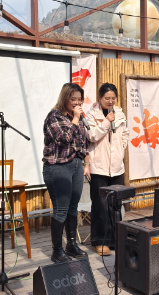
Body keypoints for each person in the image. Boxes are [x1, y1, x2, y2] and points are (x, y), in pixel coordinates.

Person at [43, 83, 90, 263]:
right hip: (58, 166)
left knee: (73, 207)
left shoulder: (77, 118)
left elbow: (83, 143)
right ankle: (57, 251)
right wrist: (76, 119)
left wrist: (86, 163)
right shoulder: (54, 116)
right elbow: (64, 139)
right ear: (65, 98)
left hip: (76, 165)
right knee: (61, 208)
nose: (77, 103)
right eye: (73, 99)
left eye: (80, 99)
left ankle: (71, 244)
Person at [85, 83, 129, 256]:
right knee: (100, 205)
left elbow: (125, 134)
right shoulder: (92, 114)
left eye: (113, 98)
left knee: (115, 205)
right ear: (99, 98)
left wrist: (122, 148)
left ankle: (116, 239)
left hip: (117, 166)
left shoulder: (119, 113)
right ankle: (100, 241)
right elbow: (91, 136)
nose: (110, 101)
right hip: (99, 167)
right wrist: (106, 122)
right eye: (107, 98)